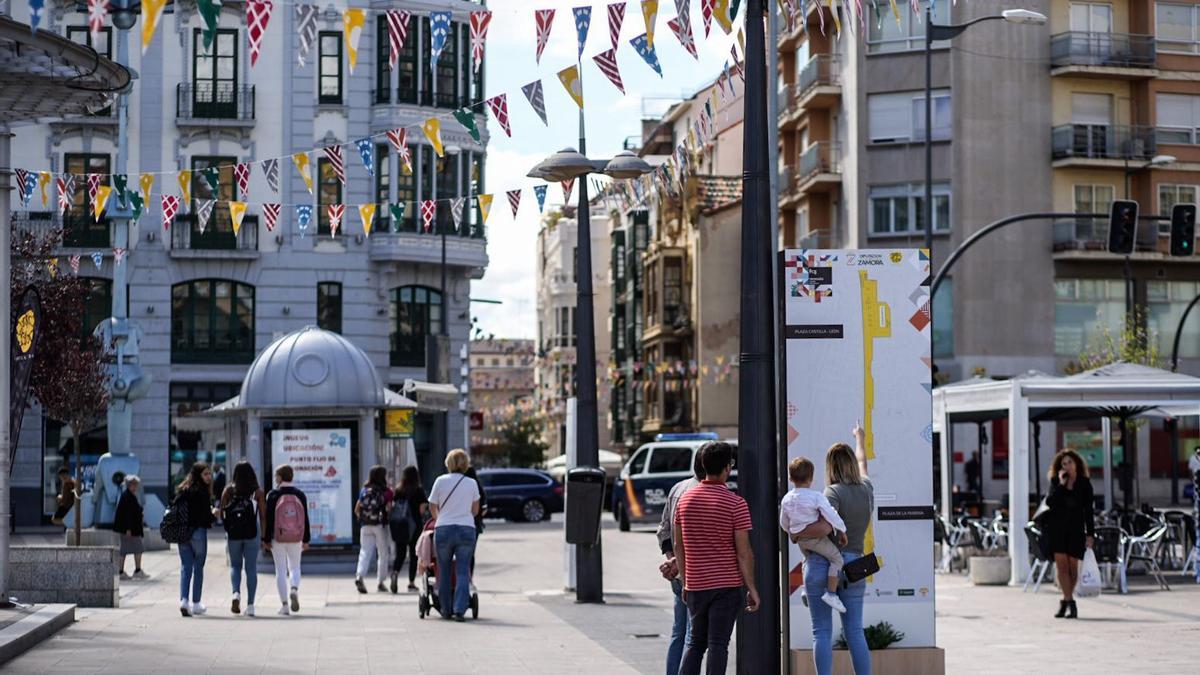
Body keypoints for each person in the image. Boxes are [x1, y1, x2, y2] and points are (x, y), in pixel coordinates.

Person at [673, 441, 758, 675]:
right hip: (726, 587)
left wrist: (686, 580)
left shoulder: (685, 501)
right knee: (718, 644)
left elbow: (679, 546)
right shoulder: (736, 504)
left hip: (697, 585)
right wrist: (752, 588)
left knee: (695, 642)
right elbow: (744, 552)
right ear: (727, 468)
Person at [795, 423, 874, 675]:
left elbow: (823, 528)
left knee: (821, 632)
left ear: (830, 467)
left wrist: (798, 533)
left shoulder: (831, 492)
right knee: (854, 631)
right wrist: (859, 438)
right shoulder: (866, 488)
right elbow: (863, 462)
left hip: (822, 564)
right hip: (855, 566)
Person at [655, 450, 704, 675]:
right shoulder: (701, 494)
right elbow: (697, 537)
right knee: (694, 636)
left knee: (679, 632)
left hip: (676, 572)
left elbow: (663, 530)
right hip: (696, 573)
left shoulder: (678, 488)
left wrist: (672, 560)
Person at [780, 457, 848, 613]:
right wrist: (842, 530)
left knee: (807, 559)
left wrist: (791, 533)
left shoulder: (786, 499)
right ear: (811, 479)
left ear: (790, 478)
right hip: (816, 539)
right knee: (837, 559)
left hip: (801, 540)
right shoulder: (816, 496)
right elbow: (830, 515)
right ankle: (831, 594)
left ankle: (805, 588)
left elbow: (784, 522)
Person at [428, 448, 481, 621]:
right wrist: (463, 516)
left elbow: (432, 506)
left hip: (443, 529)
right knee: (463, 570)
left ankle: (445, 609)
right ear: (465, 464)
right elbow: (475, 510)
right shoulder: (472, 483)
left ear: (448, 463)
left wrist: (441, 518)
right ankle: (459, 609)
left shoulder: (440, 481)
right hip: (466, 529)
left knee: (443, 570)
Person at [1043, 449, 1095, 619]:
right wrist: (1060, 484)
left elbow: (1089, 511)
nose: (1067, 466)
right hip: (1057, 529)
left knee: (1073, 568)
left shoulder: (1084, 484)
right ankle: (1070, 602)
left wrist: (1090, 533)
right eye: (1064, 464)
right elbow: (1050, 502)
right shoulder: (1056, 482)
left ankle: (1065, 601)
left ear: (1076, 464)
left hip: (1076, 529)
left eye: (1069, 463)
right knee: (1062, 567)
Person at [220, 461, 267, 617]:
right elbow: (263, 516)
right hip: (252, 533)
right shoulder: (257, 493)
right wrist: (264, 537)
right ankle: (251, 605)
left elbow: (222, 513)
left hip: (233, 534)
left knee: (235, 566)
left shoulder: (228, 490)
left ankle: (235, 594)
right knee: (251, 568)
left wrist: (227, 529)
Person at [264, 464, 311, 616]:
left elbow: (268, 519)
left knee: (280, 570)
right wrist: (306, 539)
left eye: (276, 475)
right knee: (295, 567)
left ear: (280, 477)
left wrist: (266, 538)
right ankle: (294, 589)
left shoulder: (272, 495)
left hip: (277, 537)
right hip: (296, 537)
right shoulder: (300, 494)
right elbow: (305, 519)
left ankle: (285, 606)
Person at [176, 462, 218, 617]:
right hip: (198, 532)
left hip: (183, 533)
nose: (209, 477)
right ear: (198, 475)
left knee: (185, 567)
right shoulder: (202, 493)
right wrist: (214, 514)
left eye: (209, 474)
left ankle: (184, 601)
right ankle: (196, 603)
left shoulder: (183, 490)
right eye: (206, 474)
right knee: (198, 568)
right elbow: (205, 517)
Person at [390, 465, 429, 593]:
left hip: (400, 525)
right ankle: (411, 582)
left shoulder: (398, 489)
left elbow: (393, 506)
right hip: (414, 525)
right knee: (413, 554)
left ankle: (395, 573)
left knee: (400, 553)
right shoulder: (418, 490)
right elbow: (422, 509)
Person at [355, 465, 393, 594]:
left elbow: (357, 509)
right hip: (380, 525)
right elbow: (388, 509)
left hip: (365, 525)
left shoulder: (364, 490)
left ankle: (359, 575)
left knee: (364, 552)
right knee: (383, 553)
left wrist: (364, 518)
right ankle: (380, 582)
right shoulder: (386, 492)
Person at [112, 475, 147, 580]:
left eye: (136, 484)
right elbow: (127, 514)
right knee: (135, 549)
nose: (135, 487)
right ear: (128, 485)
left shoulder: (129, 496)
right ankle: (132, 571)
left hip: (131, 529)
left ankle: (131, 570)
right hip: (130, 530)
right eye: (133, 484)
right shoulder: (127, 497)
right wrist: (128, 529)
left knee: (129, 550)